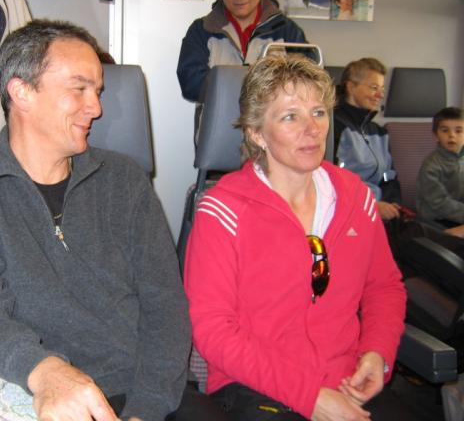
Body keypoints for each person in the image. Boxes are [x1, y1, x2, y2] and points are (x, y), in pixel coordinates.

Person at [0, 19, 225, 421]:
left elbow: (165, 306)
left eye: (97, 92)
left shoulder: (124, 181)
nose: (97, 109)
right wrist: (48, 374)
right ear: (22, 92)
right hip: (38, 391)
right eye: (79, 89)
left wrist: (146, 408)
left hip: (144, 391)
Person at [184, 55, 414, 420]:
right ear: (257, 133)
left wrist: (377, 353)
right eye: (290, 116)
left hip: (346, 380)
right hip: (256, 387)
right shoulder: (223, 210)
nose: (312, 129)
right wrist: (310, 397)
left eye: (318, 112)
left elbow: (383, 288)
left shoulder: (355, 197)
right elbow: (212, 329)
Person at [176, 0, 307, 132]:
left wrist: (231, 80)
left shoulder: (287, 30)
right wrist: (255, 78)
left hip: (275, 138)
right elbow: (191, 85)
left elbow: (308, 85)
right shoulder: (201, 30)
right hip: (218, 139)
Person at [333, 58, 402, 221]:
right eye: (374, 88)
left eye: (382, 89)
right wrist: (373, 206)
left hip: (382, 214)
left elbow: (389, 176)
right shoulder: (334, 127)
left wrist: (392, 203)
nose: (380, 95)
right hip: (351, 214)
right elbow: (334, 182)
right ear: (351, 87)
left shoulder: (379, 133)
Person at [416, 107, 464, 237]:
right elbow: (439, 203)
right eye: (445, 130)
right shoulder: (431, 165)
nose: (451, 135)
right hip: (437, 219)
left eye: (458, 131)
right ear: (436, 134)